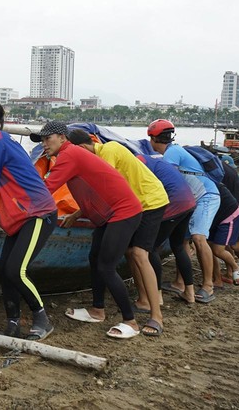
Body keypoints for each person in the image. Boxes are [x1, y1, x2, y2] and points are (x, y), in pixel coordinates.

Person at [37, 122, 143, 339]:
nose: (44, 144)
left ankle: (131, 322)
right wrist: (76, 214)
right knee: (95, 258)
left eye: (48, 139)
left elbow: (46, 189)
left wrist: (16, 205)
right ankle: (97, 311)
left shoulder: (69, 154)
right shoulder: (69, 154)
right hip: (108, 215)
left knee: (106, 266)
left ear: (62, 138)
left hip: (123, 212)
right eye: (42, 140)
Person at [0, 102, 58, 340]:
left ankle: (42, 319)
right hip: (19, 216)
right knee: (5, 271)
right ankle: (13, 322)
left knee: (16, 270)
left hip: (37, 213)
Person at [66, 129, 169, 337]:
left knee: (140, 254)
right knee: (103, 255)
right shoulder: (95, 157)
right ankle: (100, 309)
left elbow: (104, 184)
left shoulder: (109, 150)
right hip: (125, 208)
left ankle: (156, 315)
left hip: (149, 201)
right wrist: (78, 214)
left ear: (82, 148)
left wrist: (78, 212)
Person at [148, 119, 220, 304]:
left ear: (154, 138)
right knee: (181, 242)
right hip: (191, 201)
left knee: (198, 238)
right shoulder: (175, 150)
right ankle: (181, 283)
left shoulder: (171, 154)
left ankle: (207, 286)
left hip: (205, 196)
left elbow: (167, 182)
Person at [136, 153, 197, 305]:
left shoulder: (139, 161)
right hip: (188, 201)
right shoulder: (155, 161)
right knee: (178, 246)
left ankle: (158, 296)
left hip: (173, 202)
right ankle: (190, 293)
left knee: (151, 248)